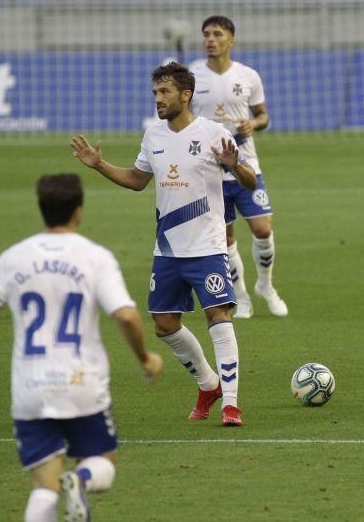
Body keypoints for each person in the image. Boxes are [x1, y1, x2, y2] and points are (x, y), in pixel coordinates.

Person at [70, 61, 257, 427]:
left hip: (208, 247)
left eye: (165, 92)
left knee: (218, 316)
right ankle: (208, 384)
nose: (158, 98)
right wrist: (99, 165)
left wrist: (236, 166)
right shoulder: (154, 136)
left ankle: (231, 404)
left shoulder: (215, 133)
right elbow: (138, 179)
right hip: (169, 249)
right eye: (156, 92)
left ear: (185, 95)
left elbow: (250, 183)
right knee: (163, 324)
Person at [0, 174, 163, 522]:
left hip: (30, 390)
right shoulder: (94, 257)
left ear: (41, 208)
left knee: (43, 486)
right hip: (82, 384)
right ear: (79, 210)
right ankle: (81, 480)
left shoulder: (12, 258)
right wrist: (146, 358)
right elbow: (128, 316)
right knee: (103, 460)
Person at [188, 15, 287, 319]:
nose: (210, 39)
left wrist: (253, 123)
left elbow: (264, 115)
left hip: (246, 165)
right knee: (226, 238)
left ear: (231, 39)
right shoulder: (190, 75)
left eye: (217, 34)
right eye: (206, 34)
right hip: (209, 171)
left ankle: (266, 286)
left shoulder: (248, 76)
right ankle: (241, 295)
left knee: (262, 228)